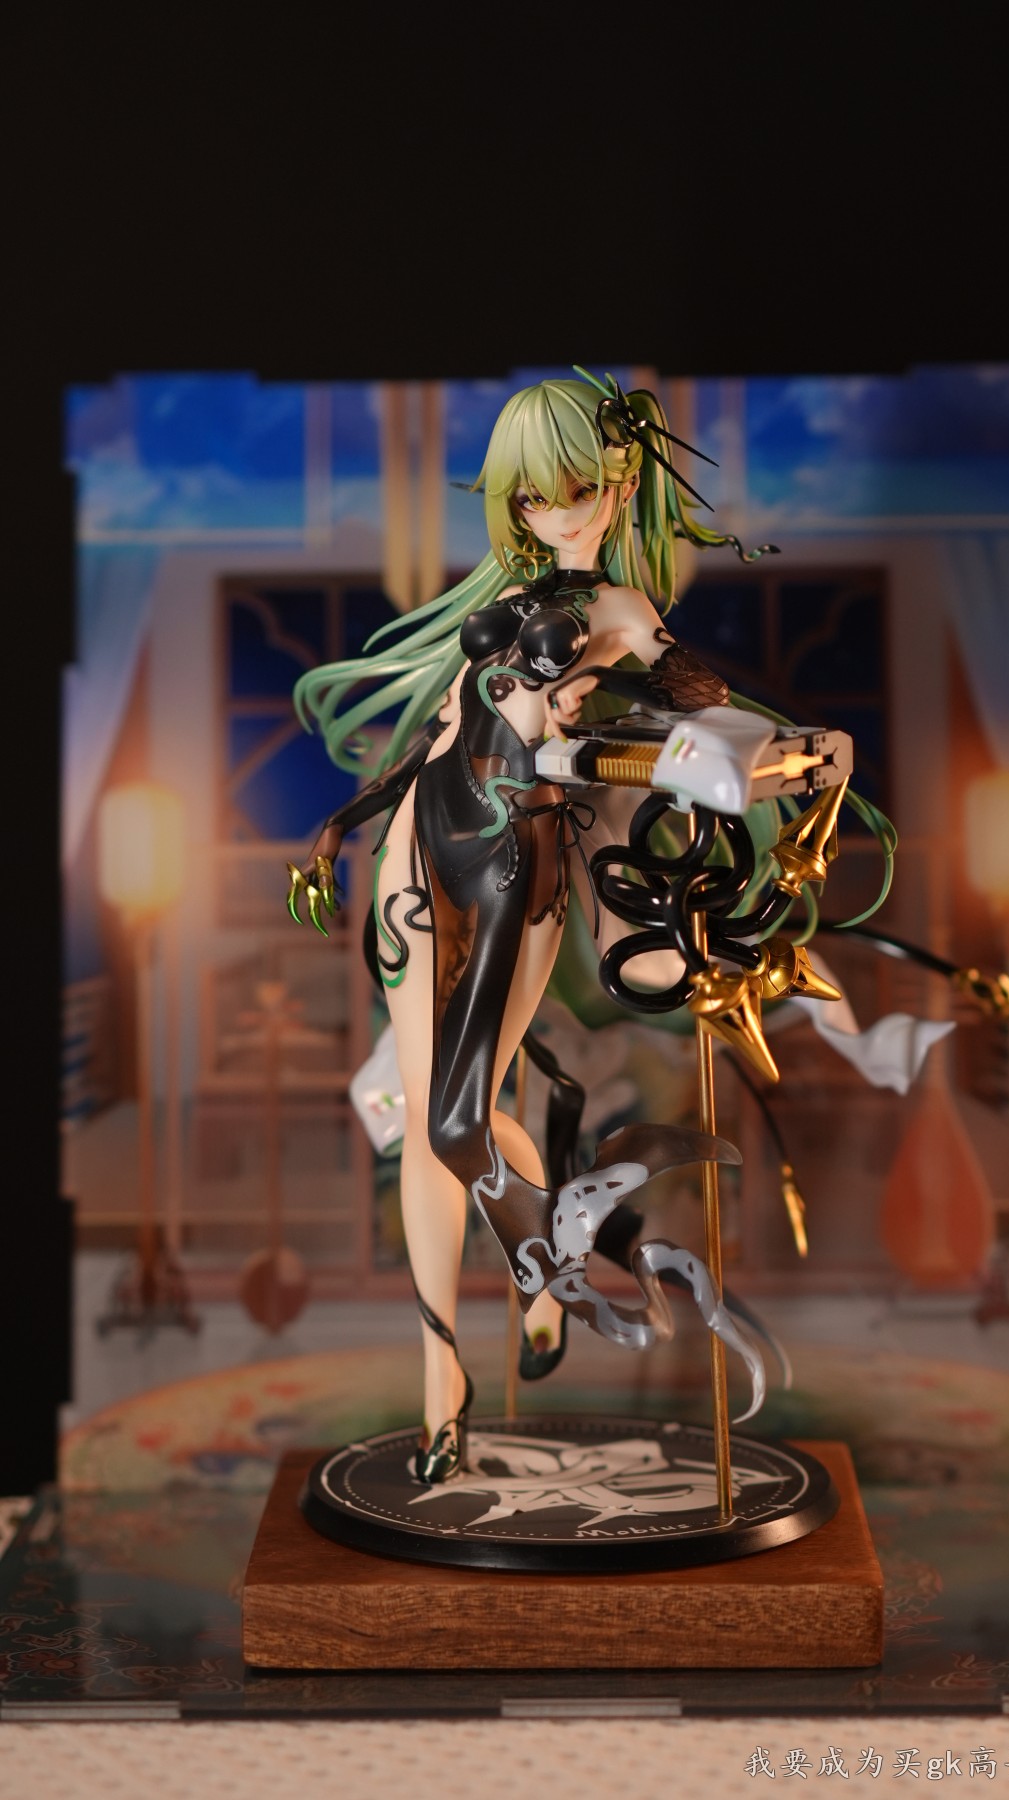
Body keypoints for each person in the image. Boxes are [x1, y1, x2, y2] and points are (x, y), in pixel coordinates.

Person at [290, 371, 796, 1482]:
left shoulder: (621, 609)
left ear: (617, 481)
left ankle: (545, 1267)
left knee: (461, 1118)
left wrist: (772, 747)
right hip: (421, 845)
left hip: (520, 860)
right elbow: (445, 727)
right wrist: (343, 827)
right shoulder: (510, 592)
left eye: (575, 488)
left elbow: (702, 702)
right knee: (431, 1117)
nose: (554, 512)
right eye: (531, 495)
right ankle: (443, 1383)